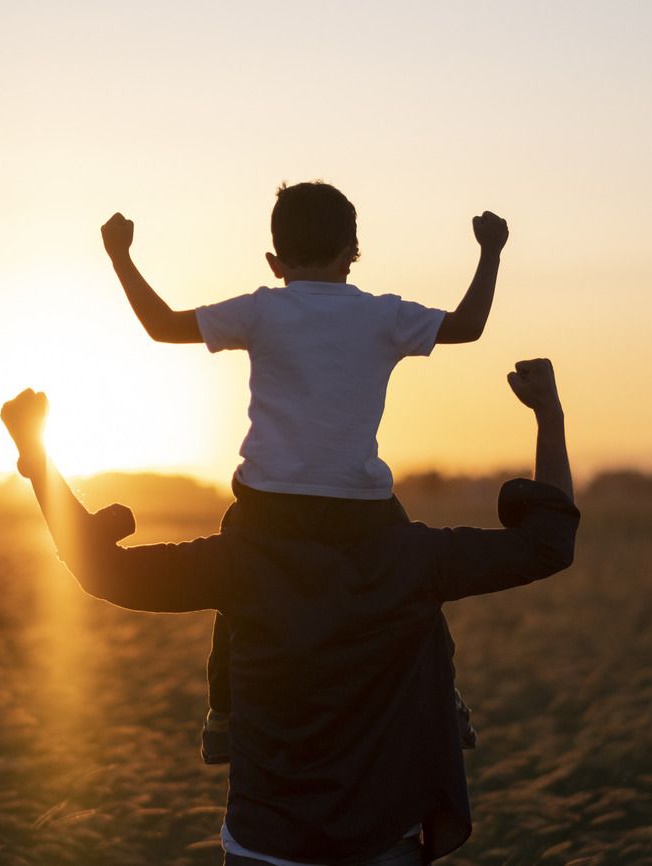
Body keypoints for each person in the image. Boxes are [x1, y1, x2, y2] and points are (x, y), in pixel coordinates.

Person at [0, 358, 579, 865]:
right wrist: (548, 414)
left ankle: (221, 716)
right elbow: (546, 544)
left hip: (264, 848)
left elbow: (105, 571)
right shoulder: (415, 557)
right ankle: (444, 705)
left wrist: (38, 455)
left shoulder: (241, 559)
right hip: (384, 846)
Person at [101, 181, 510, 761]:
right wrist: (490, 250)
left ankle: (224, 712)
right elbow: (468, 325)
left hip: (270, 503)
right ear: (354, 253)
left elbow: (163, 325)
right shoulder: (383, 315)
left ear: (274, 261)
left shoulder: (262, 308)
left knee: (233, 587)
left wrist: (121, 256)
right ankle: (445, 698)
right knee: (420, 587)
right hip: (361, 506)